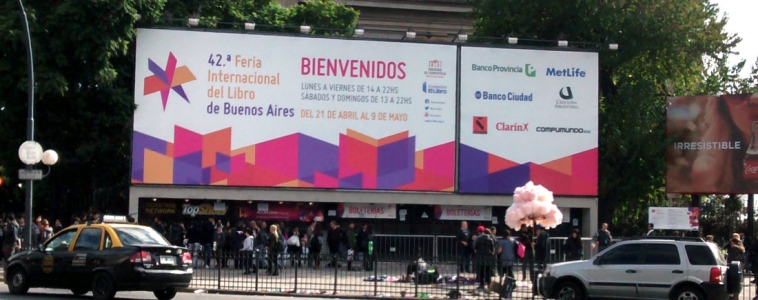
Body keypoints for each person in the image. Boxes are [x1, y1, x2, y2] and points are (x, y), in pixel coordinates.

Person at [473, 226, 497, 291]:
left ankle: (481, 285)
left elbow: (475, 248)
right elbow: (492, 250)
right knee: (487, 272)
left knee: (480, 272)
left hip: (480, 257)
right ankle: (488, 285)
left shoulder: (479, 239)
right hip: (488, 258)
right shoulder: (490, 240)